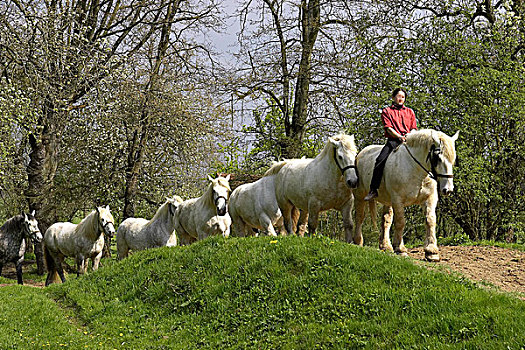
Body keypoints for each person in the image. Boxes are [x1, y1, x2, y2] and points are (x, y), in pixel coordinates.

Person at [364, 88, 417, 201]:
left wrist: (409, 136)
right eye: (399, 96)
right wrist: (399, 136)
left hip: (409, 141)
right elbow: (388, 128)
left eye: (403, 97)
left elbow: (413, 128)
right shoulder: (387, 111)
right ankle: (373, 189)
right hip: (393, 141)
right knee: (379, 161)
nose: (401, 99)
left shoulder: (410, 111)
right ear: (393, 98)